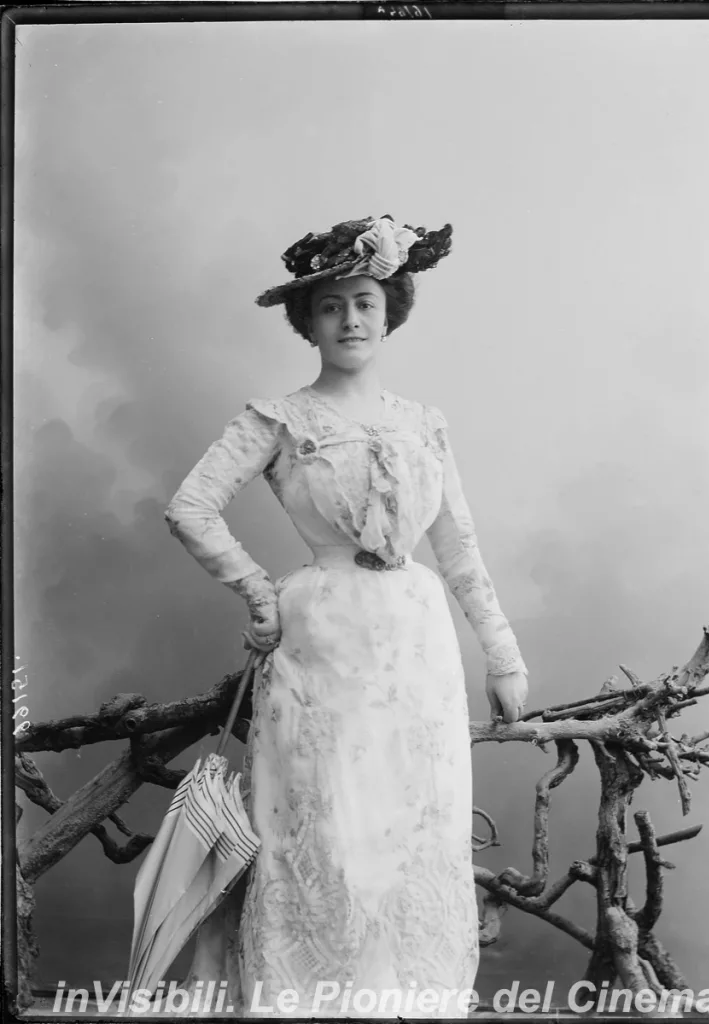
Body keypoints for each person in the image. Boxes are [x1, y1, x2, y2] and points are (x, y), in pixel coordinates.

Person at [162, 215, 530, 1019]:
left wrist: (502, 656)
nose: (351, 320)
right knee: (323, 829)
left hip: (418, 646)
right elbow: (190, 508)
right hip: (320, 644)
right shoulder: (279, 418)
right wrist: (260, 594)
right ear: (308, 322)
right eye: (330, 307)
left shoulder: (425, 423)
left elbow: (458, 548)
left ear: (390, 311)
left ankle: (406, 1002)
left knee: (414, 830)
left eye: (365, 302)